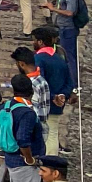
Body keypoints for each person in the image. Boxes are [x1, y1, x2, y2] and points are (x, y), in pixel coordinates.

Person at [0, 71, 44, 182]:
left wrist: (6, 138)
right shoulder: (27, 113)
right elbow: (23, 139)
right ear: (31, 92)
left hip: (11, 161)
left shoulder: (7, 106)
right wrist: (30, 158)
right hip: (24, 165)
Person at [32, 26, 77, 155]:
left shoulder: (39, 59)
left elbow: (40, 83)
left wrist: (52, 97)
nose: (33, 43)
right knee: (53, 133)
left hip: (43, 104)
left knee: (46, 135)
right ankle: (51, 162)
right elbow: (69, 82)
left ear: (41, 42)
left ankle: (48, 164)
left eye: (34, 40)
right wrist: (63, 96)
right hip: (58, 104)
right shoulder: (60, 59)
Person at [52, 0, 84, 75]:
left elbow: (70, 12)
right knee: (65, 54)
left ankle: (73, 82)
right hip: (64, 28)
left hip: (68, 29)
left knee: (69, 56)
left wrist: (52, 9)